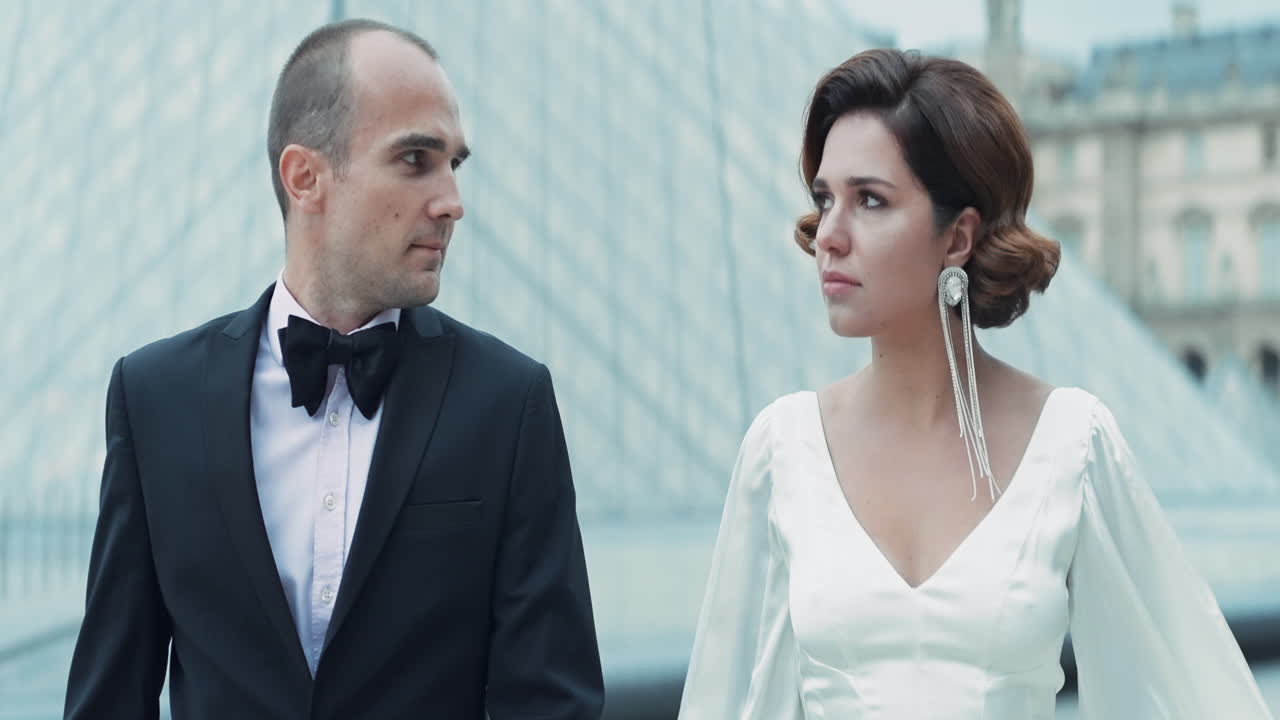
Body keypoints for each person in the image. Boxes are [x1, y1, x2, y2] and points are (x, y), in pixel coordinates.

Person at [677, 48, 1272, 719]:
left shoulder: (1073, 444)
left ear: (958, 237)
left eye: (869, 200)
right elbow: (724, 704)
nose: (828, 237)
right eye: (824, 198)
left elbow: (1196, 691)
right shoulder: (780, 449)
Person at [64, 19, 603, 720]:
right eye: (415, 160)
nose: (452, 203)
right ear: (305, 177)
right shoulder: (153, 400)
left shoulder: (509, 403)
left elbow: (552, 705)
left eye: (453, 165)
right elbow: (110, 696)